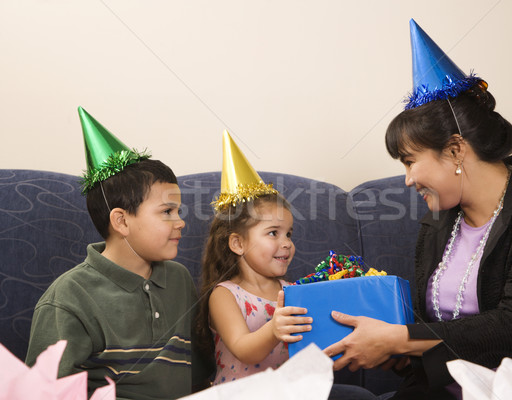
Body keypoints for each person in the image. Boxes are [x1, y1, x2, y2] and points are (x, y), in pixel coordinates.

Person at [324, 20, 512, 399]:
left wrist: (401, 338)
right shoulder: (439, 224)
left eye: (409, 161)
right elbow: (436, 332)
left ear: (455, 150)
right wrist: (400, 353)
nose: (406, 180)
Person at [25, 107, 209, 399]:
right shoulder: (68, 298)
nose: (181, 221)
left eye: (179, 211)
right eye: (167, 212)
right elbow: (43, 392)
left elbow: (200, 377)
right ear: (121, 221)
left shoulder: (179, 280)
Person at [196, 130, 312, 385]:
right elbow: (244, 349)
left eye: (289, 234)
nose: (287, 244)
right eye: (273, 233)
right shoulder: (224, 295)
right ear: (237, 243)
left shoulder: (291, 291)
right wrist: (274, 328)